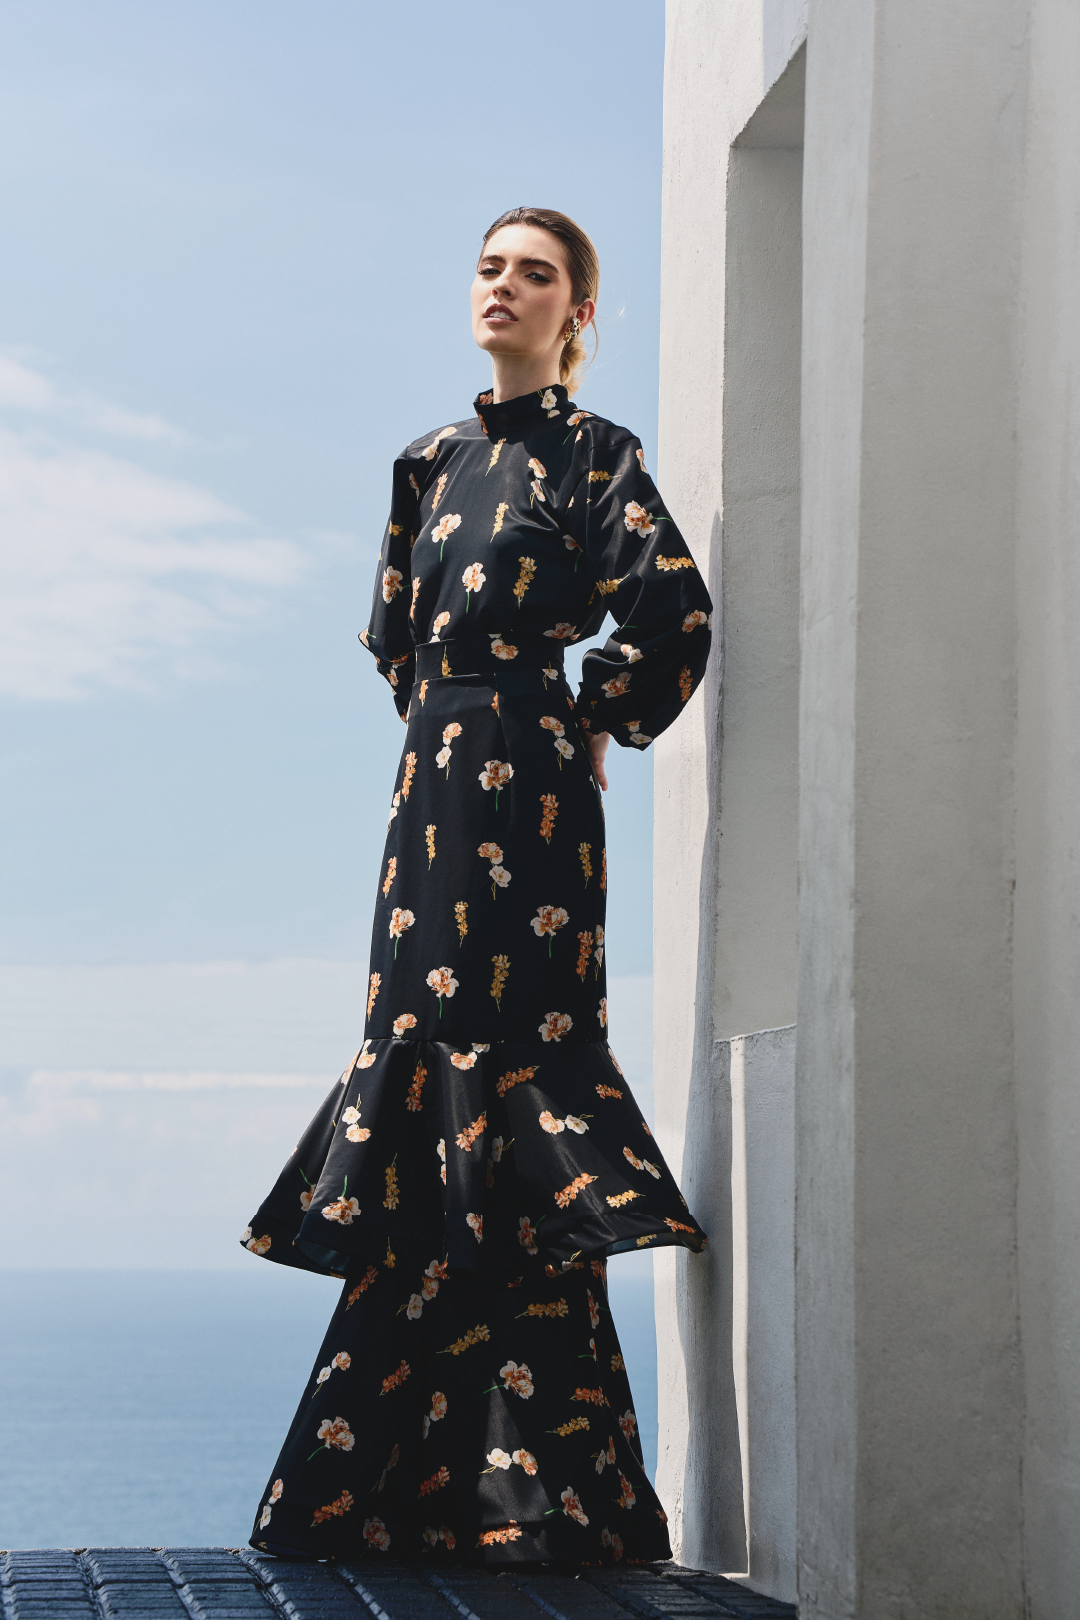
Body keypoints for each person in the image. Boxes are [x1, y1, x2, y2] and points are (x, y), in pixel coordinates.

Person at [242, 206, 713, 1566]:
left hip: (533, 796)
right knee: (419, 1075)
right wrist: (454, 730)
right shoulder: (425, 463)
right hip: (428, 802)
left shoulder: (597, 456)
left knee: (516, 1068)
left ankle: (548, 1494)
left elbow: (673, 611)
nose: (506, 287)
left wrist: (588, 714)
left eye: (539, 274)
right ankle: (404, 1489)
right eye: (492, 267)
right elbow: (399, 639)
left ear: (578, 316)